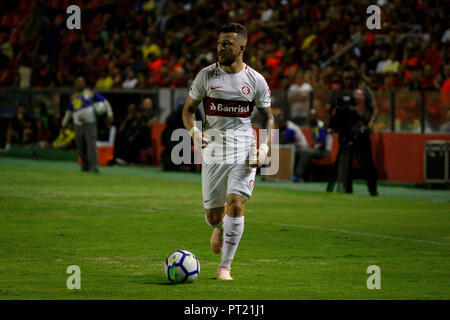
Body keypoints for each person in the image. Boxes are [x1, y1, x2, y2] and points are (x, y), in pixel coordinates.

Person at [182, 23, 274, 281]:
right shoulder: (206, 76)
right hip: (214, 152)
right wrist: (195, 133)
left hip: (244, 150)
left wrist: (265, 147)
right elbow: (188, 110)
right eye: (219, 43)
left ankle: (225, 267)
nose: (220, 48)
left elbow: (268, 117)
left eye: (227, 44)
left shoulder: (256, 80)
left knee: (236, 204)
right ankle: (219, 226)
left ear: (242, 48)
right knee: (213, 216)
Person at [326, 66, 378, 196]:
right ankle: (347, 189)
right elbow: (328, 110)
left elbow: (374, 109)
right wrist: (331, 124)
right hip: (344, 130)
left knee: (367, 162)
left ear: (356, 78)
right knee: (345, 164)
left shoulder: (364, 91)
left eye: (351, 78)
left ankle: (373, 190)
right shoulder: (336, 92)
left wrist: (371, 123)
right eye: (346, 78)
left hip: (360, 130)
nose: (348, 80)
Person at [61, 76, 113, 172]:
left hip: (90, 123)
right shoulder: (73, 97)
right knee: (80, 146)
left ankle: (94, 167)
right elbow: (69, 111)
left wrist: (110, 113)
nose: (80, 83)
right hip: (77, 124)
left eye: (81, 82)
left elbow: (105, 101)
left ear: (84, 83)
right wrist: (64, 123)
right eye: (78, 82)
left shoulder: (90, 92)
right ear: (75, 85)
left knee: (91, 145)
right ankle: (84, 166)